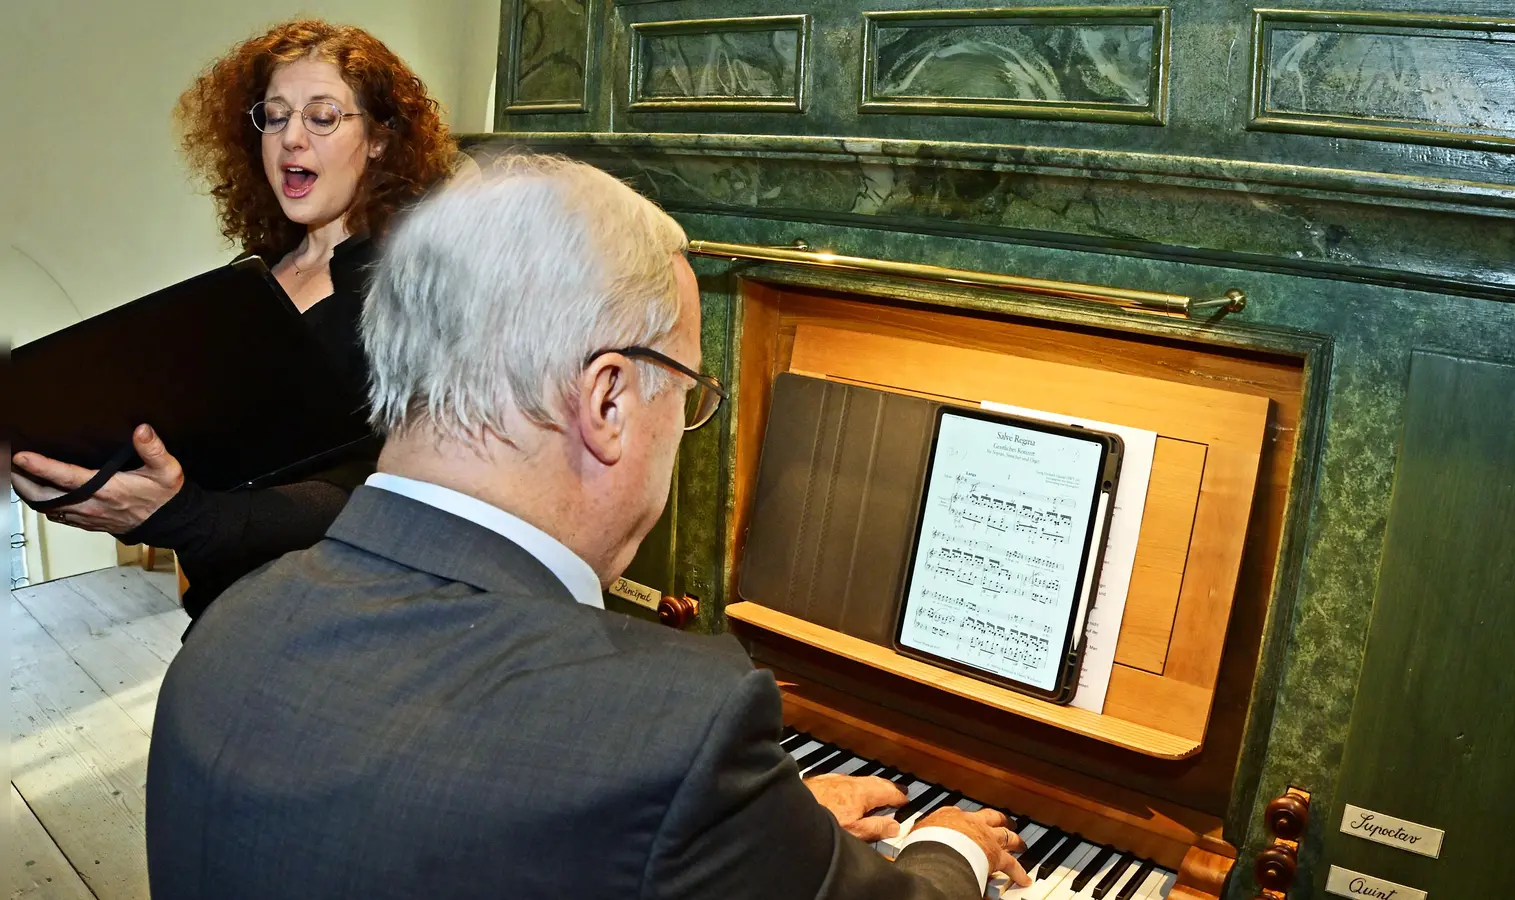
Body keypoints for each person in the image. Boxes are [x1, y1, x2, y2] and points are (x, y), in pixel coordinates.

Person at [144, 156, 1033, 899]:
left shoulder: (232, 627)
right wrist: (947, 847)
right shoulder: (674, 728)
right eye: (686, 393)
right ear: (607, 399)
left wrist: (765, 834)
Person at [10, 19, 456, 620]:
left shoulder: (417, 287)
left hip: (333, 619)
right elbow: (215, 450)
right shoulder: (257, 275)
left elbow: (389, 492)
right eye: (274, 116)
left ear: (378, 138)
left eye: (322, 116)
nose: (290, 138)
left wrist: (183, 516)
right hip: (225, 609)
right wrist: (92, 468)